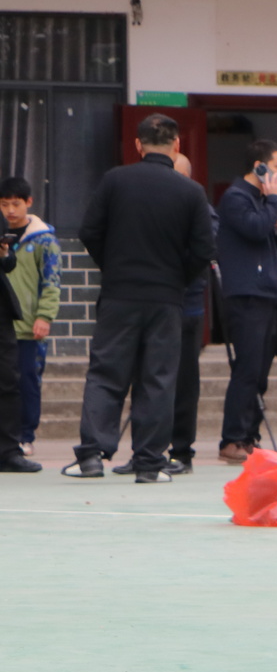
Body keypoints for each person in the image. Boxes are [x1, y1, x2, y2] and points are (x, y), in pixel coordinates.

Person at [65, 113, 215, 482]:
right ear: (176, 145)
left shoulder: (115, 180)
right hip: (166, 298)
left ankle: (91, 456)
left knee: (106, 373)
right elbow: (204, 250)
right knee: (159, 378)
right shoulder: (191, 192)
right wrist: (177, 279)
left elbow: (89, 231)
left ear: (138, 144)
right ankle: (149, 463)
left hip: (119, 293)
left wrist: (113, 266)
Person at [214, 138, 277, 462]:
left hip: (268, 293)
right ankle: (232, 438)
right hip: (248, 295)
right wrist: (275, 203)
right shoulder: (236, 197)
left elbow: (264, 242)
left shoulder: (262, 201)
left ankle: (249, 436)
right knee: (247, 369)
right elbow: (254, 229)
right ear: (259, 167)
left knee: (260, 373)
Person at [2, 176, 60, 459]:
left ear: (29, 202)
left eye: (16, 204)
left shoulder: (43, 240)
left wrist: (44, 316)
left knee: (27, 381)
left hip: (28, 326)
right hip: (4, 325)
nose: (10, 210)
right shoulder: (3, 237)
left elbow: (52, 281)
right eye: (4, 204)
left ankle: (25, 436)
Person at [166, 152, 211, 474]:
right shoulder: (154, 205)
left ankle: (182, 450)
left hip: (188, 303)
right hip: (155, 301)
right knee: (152, 377)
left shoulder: (199, 206)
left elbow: (206, 249)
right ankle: (147, 450)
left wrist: (179, 276)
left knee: (184, 381)